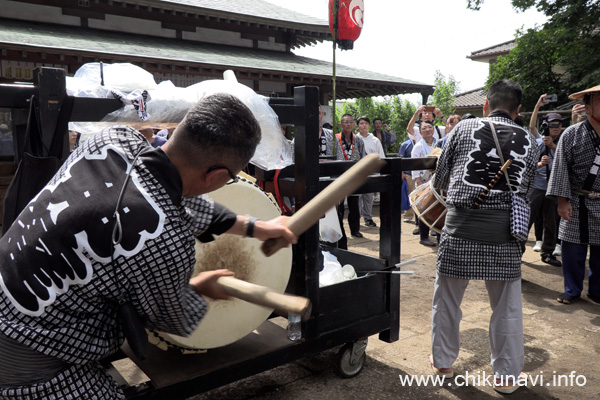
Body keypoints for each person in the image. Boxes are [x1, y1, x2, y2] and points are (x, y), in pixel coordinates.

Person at [0, 93, 297, 398]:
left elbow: (170, 202)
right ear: (217, 176)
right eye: (230, 178)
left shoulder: (111, 140)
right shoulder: (165, 245)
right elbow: (173, 318)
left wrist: (255, 227)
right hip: (27, 365)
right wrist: (204, 286)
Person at [430, 80, 538, 394]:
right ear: (518, 111)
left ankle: (443, 363)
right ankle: (505, 377)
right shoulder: (529, 140)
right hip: (504, 233)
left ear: (484, 105)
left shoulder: (462, 130)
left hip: (459, 229)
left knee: (446, 301)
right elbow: (526, 189)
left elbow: (440, 179)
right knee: (507, 307)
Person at [547, 84, 600, 305]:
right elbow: (559, 169)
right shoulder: (571, 134)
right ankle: (572, 289)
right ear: (587, 106)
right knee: (572, 249)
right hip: (576, 200)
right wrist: (562, 201)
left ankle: (597, 291)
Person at [527, 94, 563, 266]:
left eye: (559, 124)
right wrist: (537, 106)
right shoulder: (538, 140)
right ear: (547, 125)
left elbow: (566, 164)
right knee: (527, 219)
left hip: (553, 188)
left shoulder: (563, 142)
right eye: (552, 124)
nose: (556, 127)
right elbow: (532, 126)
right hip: (536, 187)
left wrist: (553, 147)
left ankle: (547, 253)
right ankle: (517, 252)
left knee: (551, 223)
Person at [335, 114, 366, 248]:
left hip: (354, 176)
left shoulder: (358, 139)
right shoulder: (335, 138)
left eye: (351, 122)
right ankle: (339, 230)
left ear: (354, 125)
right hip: (339, 176)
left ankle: (355, 229)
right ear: (341, 125)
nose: (348, 124)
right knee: (339, 206)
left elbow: (363, 156)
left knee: (354, 205)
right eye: (346, 122)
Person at [411, 120, 438, 247]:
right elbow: (415, 167)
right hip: (424, 182)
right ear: (420, 132)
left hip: (437, 181)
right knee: (424, 209)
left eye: (429, 127)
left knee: (437, 209)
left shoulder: (438, 143)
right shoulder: (418, 146)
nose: (427, 130)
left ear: (433, 129)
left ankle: (436, 233)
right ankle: (423, 237)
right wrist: (418, 183)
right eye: (424, 128)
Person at [356, 116, 385, 228]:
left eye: (366, 123)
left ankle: (368, 218)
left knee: (369, 197)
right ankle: (356, 219)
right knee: (357, 197)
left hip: (371, 172)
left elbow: (381, 157)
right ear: (357, 126)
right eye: (361, 123)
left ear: (369, 126)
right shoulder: (355, 139)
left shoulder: (375, 140)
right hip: (357, 173)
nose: (364, 125)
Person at [398, 135, 416, 223]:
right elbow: (401, 159)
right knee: (409, 194)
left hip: (422, 174)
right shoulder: (405, 144)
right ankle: (408, 215)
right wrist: (402, 173)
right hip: (409, 173)